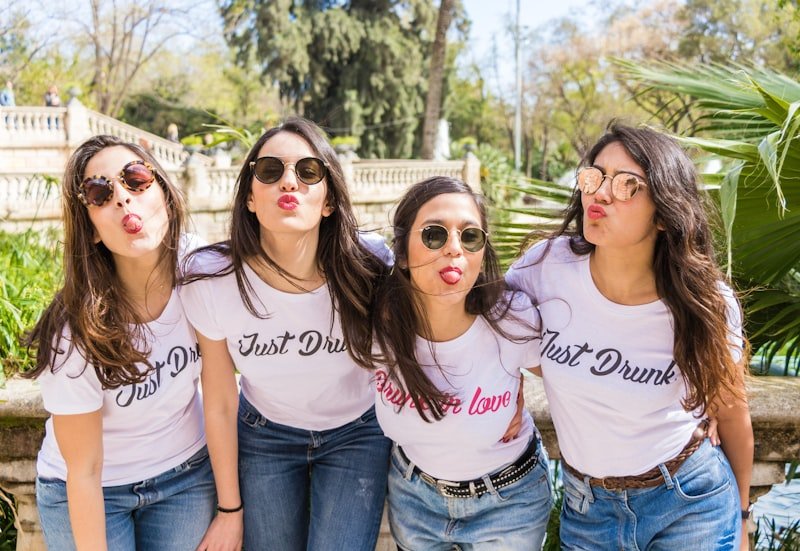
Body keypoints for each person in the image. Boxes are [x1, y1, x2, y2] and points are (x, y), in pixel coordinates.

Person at [506, 124, 753, 551]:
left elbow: (731, 413)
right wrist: (507, 393)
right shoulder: (546, 267)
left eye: (627, 185)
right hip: (588, 509)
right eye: (594, 176)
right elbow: (488, 328)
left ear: (663, 214)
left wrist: (744, 516)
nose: (600, 194)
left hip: (690, 501)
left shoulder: (705, 301)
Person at [180, 116, 391, 551]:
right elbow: (219, 401)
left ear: (328, 200)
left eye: (308, 171)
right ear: (251, 199)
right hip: (265, 434)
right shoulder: (212, 279)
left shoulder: (370, 266)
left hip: (357, 432)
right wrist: (229, 510)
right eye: (270, 171)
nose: (288, 182)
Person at [25, 135, 215, 550]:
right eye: (99, 193)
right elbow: (85, 470)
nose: (123, 199)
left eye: (136, 179)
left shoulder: (203, 276)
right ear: (90, 230)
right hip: (94, 490)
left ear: (164, 192)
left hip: (186, 477)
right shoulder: (74, 332)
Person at [370, 176, 552, 550]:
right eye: (434, 235)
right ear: (402, 253)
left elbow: (578, 376)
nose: (454, 249)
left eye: (470, 237)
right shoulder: (377, 320)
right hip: (413, 498)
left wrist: (705, 386)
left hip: (509, 501)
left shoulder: (510, 318)